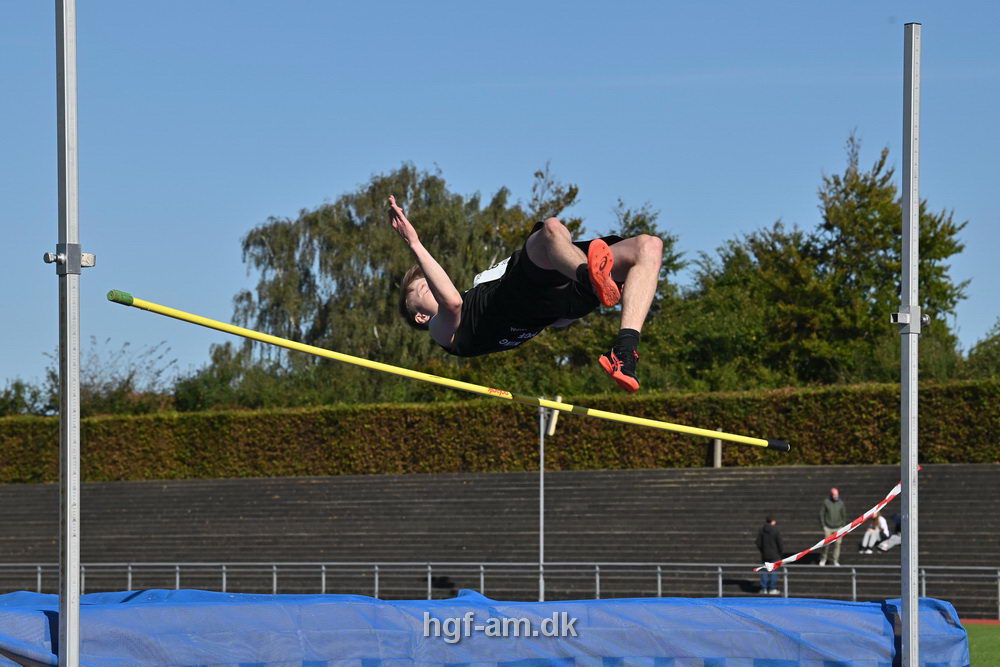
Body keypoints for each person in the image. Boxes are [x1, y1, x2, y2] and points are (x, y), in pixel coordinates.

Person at [390, 195, 664, 392]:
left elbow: (559, 322)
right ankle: (590, 277)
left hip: (557, 296)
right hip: (519, 294)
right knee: (551, 229)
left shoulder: (474, 296)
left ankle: (624, 350)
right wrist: (414, 242)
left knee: (649, 247)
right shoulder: (442, 330)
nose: (432, 285)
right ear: (420, 317)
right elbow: (451, 301)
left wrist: (574, 308)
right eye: (424, 288)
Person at [819, 487, 847, 566]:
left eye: (837, 494)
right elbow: (821, 513)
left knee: (838, 544)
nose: (836, 496)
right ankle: (823, 559)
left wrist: (843, 526)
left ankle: (835, 560)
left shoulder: (841, 503)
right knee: (826, 544)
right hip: (828, 527)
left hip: (838, 527)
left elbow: (844, 515)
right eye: (834, 495)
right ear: (831, 495)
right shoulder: (826, 502)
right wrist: (823, 525)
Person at [755, 516, 783, 595]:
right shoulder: (776, 530)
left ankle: (764, 588)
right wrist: (780, 552)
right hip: (775, 554)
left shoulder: (762, 530)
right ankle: (772, 588)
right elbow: (780, 543)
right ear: (772, 521)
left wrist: (763, 550)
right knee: (774, 571)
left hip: (765, 555)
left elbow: (758, 542)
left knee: (764, 571)